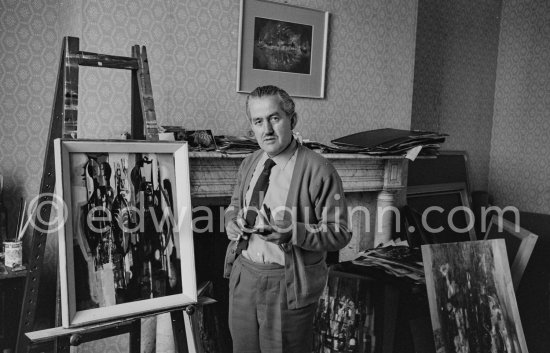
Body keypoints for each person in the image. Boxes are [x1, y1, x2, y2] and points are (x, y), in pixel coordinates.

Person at [224, 85, 351, 352]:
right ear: (252, 126)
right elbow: (235, 206)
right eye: (258, 121)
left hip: (287, 285)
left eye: (274, 118)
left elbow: (340, 232)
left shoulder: (320, 170)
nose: (267, 129)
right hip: (244, 277)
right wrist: (231, 221)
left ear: (292, 120)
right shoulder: (249, 162)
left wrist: (293, 232)